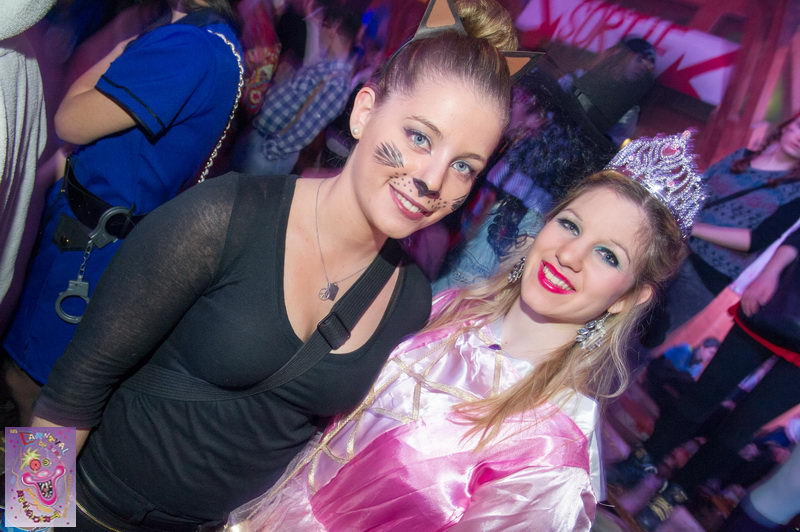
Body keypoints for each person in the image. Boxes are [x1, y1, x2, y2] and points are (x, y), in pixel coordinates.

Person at [30, 0, 529, 528]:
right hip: (90, 508)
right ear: (364, 112)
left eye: (463, 167)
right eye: (419, 137)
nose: (432, 179)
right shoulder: (224, 218)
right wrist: (29, 519)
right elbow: (70, 389)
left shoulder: (409, 301)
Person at [226, 130, 701, 531]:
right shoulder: (454, 307)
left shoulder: (550, 456)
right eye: (571, 225)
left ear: (627, 297)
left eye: (608, 255)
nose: (570, 255)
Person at [2, 0, 243, 425]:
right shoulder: (215, 41)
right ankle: (30, 468)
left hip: (90, 248)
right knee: (46, 386)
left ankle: (35, 474)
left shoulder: (187, 46)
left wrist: (121, 50)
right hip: (101, 237)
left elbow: (70, 121)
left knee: (39, 387)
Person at [632, 222, 800, 530]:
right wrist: (768, 273)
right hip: (780, 303)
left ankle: (674, 494)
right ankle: (643, 459)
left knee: (743, 426)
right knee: (704, 393)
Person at [642, 112, 800, 348]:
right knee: (618, 308)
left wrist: (693, 227)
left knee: (646, 339)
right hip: (670, 245)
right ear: (787, 126)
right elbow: (697, 189)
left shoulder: (796, 191)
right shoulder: (741, 157)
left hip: (707, 272)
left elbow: (755, 240)